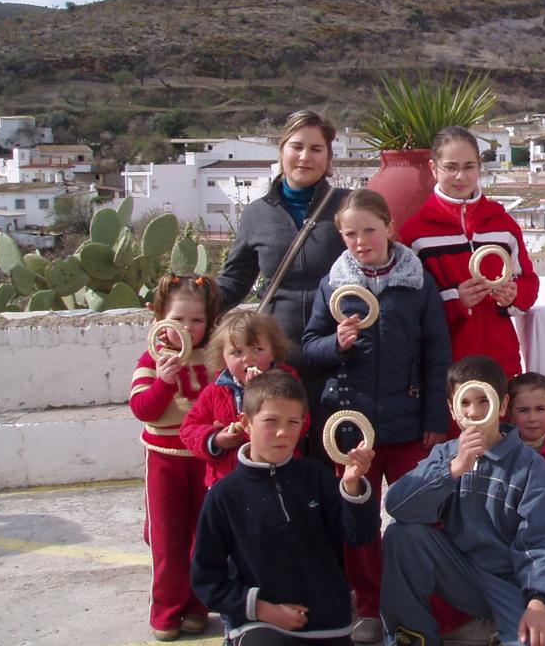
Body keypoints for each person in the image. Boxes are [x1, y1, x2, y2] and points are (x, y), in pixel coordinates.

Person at [300, 189, 451, 642]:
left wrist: (434, 419)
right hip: (350, 425)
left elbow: (436, 352)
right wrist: (336, 343)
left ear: (389, 227)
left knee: (422, 513)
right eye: (351, 234)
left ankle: (423, 599)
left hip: (408, 422)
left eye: (369, 230)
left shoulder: (417, 280)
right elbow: (310, 347)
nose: (362, 241)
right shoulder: (333, 284)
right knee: (359, 518)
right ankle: (367, 605)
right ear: (341, 238)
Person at [380, 355, 545, 646]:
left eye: (484, 401)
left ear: (502, 405)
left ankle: (513, 625)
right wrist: (453, 470)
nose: (475, 411)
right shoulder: (446, 455)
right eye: (465, 403)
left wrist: (540, 600)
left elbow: (542, 538)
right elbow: (398, 504)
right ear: (452, 410)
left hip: (511, 583)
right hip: (459, 572)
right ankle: (412, 635)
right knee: (400, 535)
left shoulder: (529, 467)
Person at [191, 370, 378, 646]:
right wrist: (263, 610)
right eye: (270, 421)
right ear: (245, 423)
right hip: (259, 627)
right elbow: (206, 579)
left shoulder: (316, 476)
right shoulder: (224, 496)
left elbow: (359, 535)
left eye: (293, 422)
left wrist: (352, 486)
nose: (283, 432)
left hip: (329, 626)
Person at [216, 110, 350, 457]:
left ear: (328, 157)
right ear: (281, 151)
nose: (305, 157)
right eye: (297, 146)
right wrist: (183, 306)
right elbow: (234, 280)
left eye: (316, 149)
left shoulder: (346, 206)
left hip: (338, 353)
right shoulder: (256, 214)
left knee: (336, 451)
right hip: (278, 356)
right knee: (283, 451)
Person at [399, 125, 539, 378]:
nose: (461, 176)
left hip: (501, 360)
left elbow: (529, 282)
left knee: (502, 417)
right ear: (433, 168)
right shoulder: (416, 233)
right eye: (451, 167)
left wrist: (513, 296)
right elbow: (408, 305)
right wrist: (454, 300)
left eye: (469, 166)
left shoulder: (503, 225)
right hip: (446, 364)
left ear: (479, 167)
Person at [129, 272, 224, 641]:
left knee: (203, 536)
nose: (187, 328)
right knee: (166, 538)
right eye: (178, 320)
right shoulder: (152, 358)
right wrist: (164, 382)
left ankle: (198, 607)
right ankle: (167, 611)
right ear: (160, 321)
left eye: (197, 321)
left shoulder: (214, 357)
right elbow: (143, 409)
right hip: (164, 459)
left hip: (204, 457)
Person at [181, 310, 306, 487]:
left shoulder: (287, 385)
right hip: (227, 482)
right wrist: (215, 439)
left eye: (257, 349)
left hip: (278, 477)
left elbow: (302, 422)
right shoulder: (215, 391)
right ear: (223, 357)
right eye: (237, 352)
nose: (248, 358)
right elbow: (188, 429)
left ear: (273, 352)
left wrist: (259, 392)